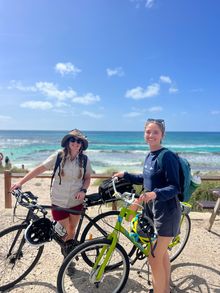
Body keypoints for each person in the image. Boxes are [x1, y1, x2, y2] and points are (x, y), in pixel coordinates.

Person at [114, 119, 181, 293]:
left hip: (167, 212)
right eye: (148, 132)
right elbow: (146, 179)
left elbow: (175, 186)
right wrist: (125, 175)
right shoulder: (150, 155)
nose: (151, 135)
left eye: (155, 132)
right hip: (152, 211)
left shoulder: (167, 156)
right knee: (161, 254)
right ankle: (164, 289)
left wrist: (155, 194)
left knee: (153, 258)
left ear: (162, 135)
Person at [10, 129, 92, 257]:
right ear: (68, 142)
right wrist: (21, 182)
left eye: (79, 141)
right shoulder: (59, 156)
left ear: (82, 144)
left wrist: (83, 190)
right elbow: (40, 168)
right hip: (58, 200)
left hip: (76, 201)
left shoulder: (85, 160)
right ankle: (68, 249)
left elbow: (87, 178)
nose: (75, 143)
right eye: (73, 140)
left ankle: (68, 255)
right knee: (64, 232)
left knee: (72, 229)